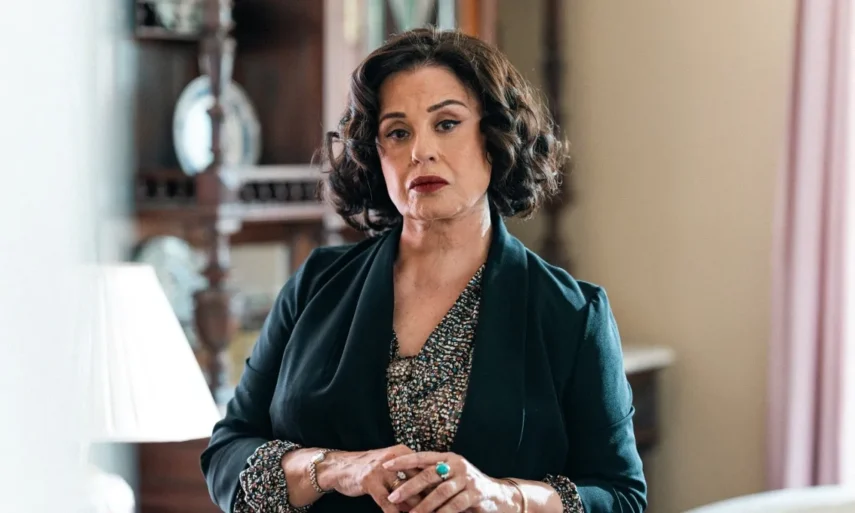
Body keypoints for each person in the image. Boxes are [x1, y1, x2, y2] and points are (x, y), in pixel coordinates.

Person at [201, 27, 646, 513]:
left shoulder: (573, 314)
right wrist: (336, 469)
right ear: (376, 154)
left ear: (494, 138)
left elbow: (620, 496)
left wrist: (506, 497)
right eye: (398, 132)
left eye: (447, 123)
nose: (421, 151)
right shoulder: (316, 285)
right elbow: (227, 454)